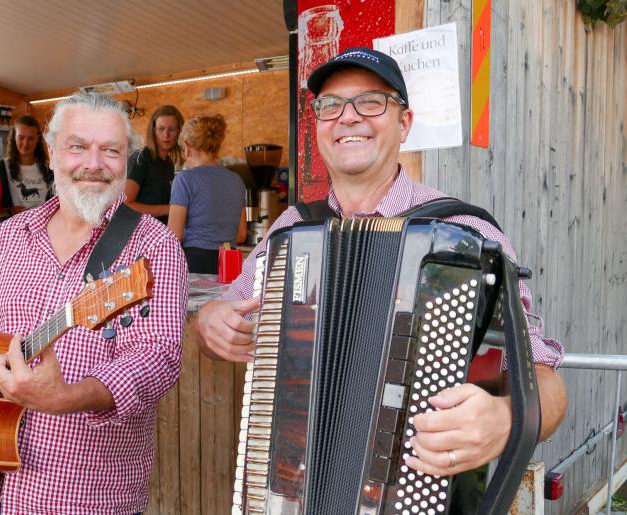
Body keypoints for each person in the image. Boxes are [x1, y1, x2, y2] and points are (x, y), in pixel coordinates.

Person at [196, 48, 567, 488]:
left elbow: (542, 373)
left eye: (370, 101)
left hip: (416, 484)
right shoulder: (293, 229)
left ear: (404, 123)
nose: (348, 117)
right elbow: (224, 317)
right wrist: (208, 320)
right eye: (331, 105)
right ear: (319, 126)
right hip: (302, 483)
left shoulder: (463, 233)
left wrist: (506, 420)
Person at [0, 92, 188, 514]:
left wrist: (72, 396)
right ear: (52, 151)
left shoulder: (154, 247)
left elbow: (157, 357)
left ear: (128, 159)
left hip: (84, 497)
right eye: (78, 146)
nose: (94, 163)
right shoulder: (8, 236)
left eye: (111, 150)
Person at [168, 114, 246, 273]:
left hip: (195, 263)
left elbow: (174, 236)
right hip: (230, 262)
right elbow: (241, 235)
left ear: (188, 147)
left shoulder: (184, 180)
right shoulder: (236, 180)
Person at [124, 105, 184, 224]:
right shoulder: (141, 158)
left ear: (179, 132)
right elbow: (125, 205)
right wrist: (167, 210)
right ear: (153, 131)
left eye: (172, 129)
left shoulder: (168, 163)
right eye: (161, 129)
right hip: (142, 235)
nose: (166, 135)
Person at [0, 115, 53, 215]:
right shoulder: (2, 168)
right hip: (14, 228)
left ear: (38, 138)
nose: (25, 143)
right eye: (21, 137)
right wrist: (9, 211)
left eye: (31, 138)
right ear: (14, 137)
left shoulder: (49, 168)